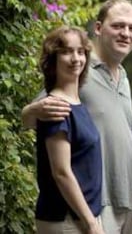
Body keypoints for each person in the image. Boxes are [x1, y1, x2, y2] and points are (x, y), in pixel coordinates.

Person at [22, 0, 132, 234]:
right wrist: (29, 111)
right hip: (94, 204)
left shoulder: (124, 77)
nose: (126, 33)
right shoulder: (79, 70)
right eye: (118, 26)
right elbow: (38, 114)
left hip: (125, 203)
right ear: (98, 28)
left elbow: (120, 140)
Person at [35, 26, 104, 233]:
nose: (76, 58)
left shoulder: (76, 103)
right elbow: (61, 172)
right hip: (66, 220)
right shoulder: (55, 107)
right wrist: (90, 223)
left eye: (80, 51)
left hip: (82, 217)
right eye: (66, 52)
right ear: (52, 60)